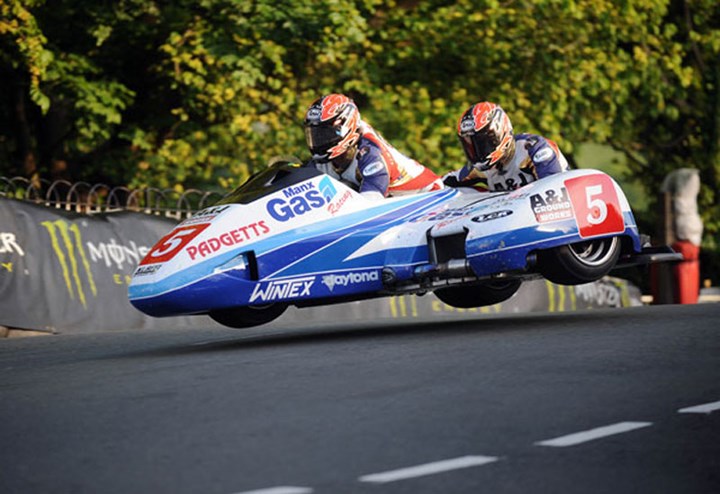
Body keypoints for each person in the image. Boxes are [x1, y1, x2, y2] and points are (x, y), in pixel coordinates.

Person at [303, 93, 443, 200]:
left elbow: (371, 200)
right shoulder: (322, 160)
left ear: (346, 127)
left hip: (427, 198)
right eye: (315, 135)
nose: (319, 141)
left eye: (325, 134)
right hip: (393, 203)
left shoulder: (370, 152)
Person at [443, 101, 569, 191]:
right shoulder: (478, 169)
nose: (477, 151)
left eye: (482, 143)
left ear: (500, 133)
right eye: (470, 145)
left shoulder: (534, 149)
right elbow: (443, 182)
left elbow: (554, 190)